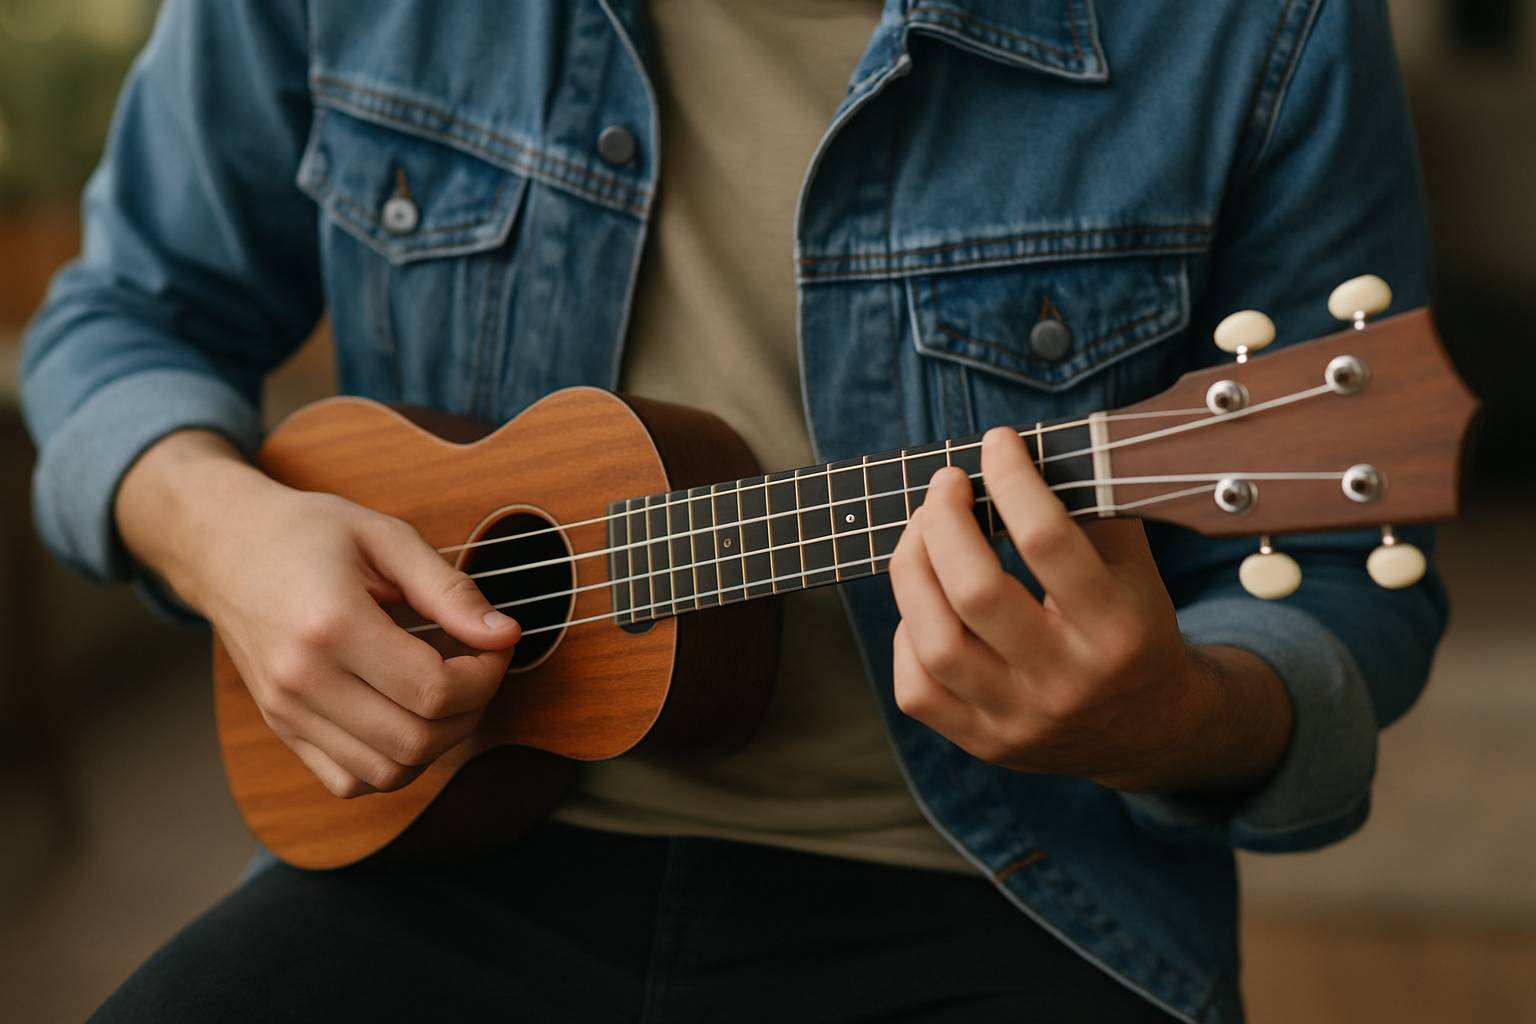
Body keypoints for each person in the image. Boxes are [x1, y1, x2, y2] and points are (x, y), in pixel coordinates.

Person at [22, 1, 1447, 1021]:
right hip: (450, 840)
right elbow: (121, 320)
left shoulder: (1263, 26)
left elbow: (1343, 587)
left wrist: (1176, 720)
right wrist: (222, 531)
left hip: (1002, 885)